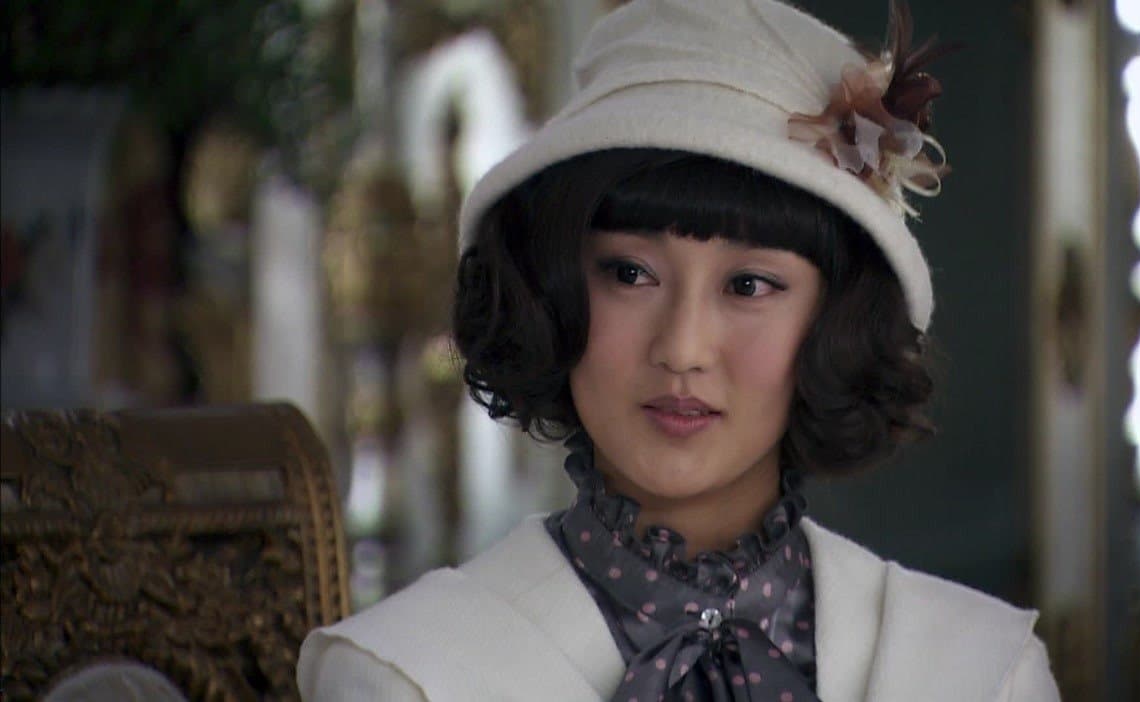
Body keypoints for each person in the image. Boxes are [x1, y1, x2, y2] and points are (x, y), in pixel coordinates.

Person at [298, 1, 1061, 700]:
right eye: (630, 274)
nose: (683, 349)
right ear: (553, 290)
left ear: (834, 320)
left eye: (749, 285)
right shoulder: (403, 675)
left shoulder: (979, 673)